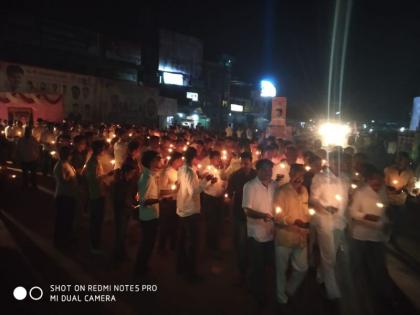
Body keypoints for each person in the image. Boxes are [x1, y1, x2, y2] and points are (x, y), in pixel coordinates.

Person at [349, 165, 395, 311]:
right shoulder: (361, 192)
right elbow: (352, 212)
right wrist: (367, 216)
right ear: (368, 180)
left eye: (379, 180)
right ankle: (356, 293)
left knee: (379, 266)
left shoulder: (383, 192)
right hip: (361, 235)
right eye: (374, 180)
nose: (377, 183)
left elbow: (385, 209)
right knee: (358, 264)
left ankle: (379, 293)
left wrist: (386, 223)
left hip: (377, 236)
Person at [309, 151, 350, 300]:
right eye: (337, 161)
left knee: (331, 255)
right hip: (325, 222)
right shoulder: (320, 177)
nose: (341, 164)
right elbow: (313, 199)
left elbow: (346, 200)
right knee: (329, 257)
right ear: (331, 161)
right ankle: (332, 291)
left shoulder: (345, 178)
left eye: (343, 161)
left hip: (340, 223)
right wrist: (326, 207)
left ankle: (321, 275)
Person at [273, 164, 310, 307]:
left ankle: (289, 289)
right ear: (290, 174)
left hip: (301, 236)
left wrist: (307, 222)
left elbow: (306, 211)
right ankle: (281, 298)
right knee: (281, 270)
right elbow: (277, 216)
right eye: (295, 175)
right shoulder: (281, 191)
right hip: (285, 236)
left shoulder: (304, 191)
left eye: (301, 176)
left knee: (302, 268)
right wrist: (293, 221)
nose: (298, 178)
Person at [242, 159, 276, 305]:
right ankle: (257, 292)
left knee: (268, 264)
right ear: (258, 170)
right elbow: (247, 210)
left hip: (272, 232)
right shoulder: (250, 186)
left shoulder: (275, 185)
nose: (268, 172)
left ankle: (261, 287)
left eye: (270, 169)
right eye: (265, 169)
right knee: (258, 265)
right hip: (256, 233)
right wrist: (263, 216)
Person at [176, 147, 210, 283]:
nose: (199, 159)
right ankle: (191, 273)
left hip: (183, 209)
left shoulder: (182, 170)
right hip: (190, 211)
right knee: (193, 243)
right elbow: (193, 191)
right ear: (193, 158)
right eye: (198, 157)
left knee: (183, 241)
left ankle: (181, 267)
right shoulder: (189, 172)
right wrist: (205, 181)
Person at [227, 151, 257, 283]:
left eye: (247, 163)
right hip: (239, 213)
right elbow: (229, 193)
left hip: (255, 213)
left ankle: (252, 268)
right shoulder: (235, 176)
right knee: (241, 243)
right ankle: (242, 271)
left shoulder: (256, 175)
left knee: (253, 243)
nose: (245, 165)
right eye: (242, 163)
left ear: (251, 162)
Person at [134, 150, 162, 277]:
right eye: (157, 159)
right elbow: (143, 201)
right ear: (151, 161)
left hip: (151, 215)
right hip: (148, 216)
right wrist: (159, 200)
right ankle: (139, 270)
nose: (159, 162)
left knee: (148, 244)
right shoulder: (147, 178)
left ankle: (143, 266)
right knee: (146, 244)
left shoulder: (149, 175)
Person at [85, 140, 113, 254]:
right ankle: (94, 245)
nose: (104, 151)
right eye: (102, 148)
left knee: (97, 220)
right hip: (96, 194)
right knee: (96, 220)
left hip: (99, 192)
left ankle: (95, 243)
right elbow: (94, 179)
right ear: (98, 149)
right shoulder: (93, 162)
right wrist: (108, 174)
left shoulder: (96, 161)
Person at [384, 152, 416, 241]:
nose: (402, 162)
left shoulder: (410, 173)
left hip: (400, 200)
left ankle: (393, 237)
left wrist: (403, 189)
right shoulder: (389, 169)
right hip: (388, 199)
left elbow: (411, 185)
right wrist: (388, 187)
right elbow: (384, 181)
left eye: (404, 160)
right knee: (386, 219)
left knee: (397, 221)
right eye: (400, 160)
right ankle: (383, 236)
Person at [202, 150, 227, 257]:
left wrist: (224, 185)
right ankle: (211, 246)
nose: (218, 160)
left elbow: (224, 181)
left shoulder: (220, 170)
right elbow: (203, 186)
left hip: (219, 199)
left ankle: (215, 244)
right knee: (212, 223)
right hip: (210, 199)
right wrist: (210, 182)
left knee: (219, 222)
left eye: (219, 158)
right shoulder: (207, 170)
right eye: (216, 158)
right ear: (211, 159)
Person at [158, 152, 183, 253]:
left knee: (175, 226)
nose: (182, 162)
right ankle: (161, 248)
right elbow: (161, 191)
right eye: (180, 160)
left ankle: (173, 246)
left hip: (176, 202)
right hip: (167, 203)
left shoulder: (179, 171)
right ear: (175, 161)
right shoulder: (166, 172)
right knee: (165, 226)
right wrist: (175, 189)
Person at [53, 146, 78, 248]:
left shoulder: (66, 164)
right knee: (63, 219)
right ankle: (60, 241)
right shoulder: (60, 166)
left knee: (68, 219)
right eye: (69, 154)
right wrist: (71, 176)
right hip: (64, 196)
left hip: (69, 195)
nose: (71, 156)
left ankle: (66, 237)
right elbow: (63, 180)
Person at [113, 163, 138, 264]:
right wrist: (128, 204)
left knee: (124, 233)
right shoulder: (119, 184)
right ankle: (117, 255)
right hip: (121, 211)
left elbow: (132, 195)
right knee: (120, 233)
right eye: (132, 173)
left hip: (127, 210)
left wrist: (135, 199)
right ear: (126, 173)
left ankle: (122, 253)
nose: (133, 175)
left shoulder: (131, 182)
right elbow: (119, 199)